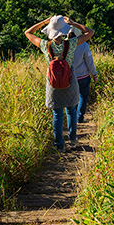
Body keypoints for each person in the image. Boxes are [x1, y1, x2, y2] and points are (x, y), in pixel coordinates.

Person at [25, 15, 94, 151]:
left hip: (53, 84)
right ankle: (73, 140)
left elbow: (28, 32)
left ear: (50, 30)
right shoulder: (71, 43)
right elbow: (90, 32)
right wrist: (74, 24)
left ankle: (59, 145)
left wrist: (44, 22)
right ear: (64, 31)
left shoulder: (45, 45)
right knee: (71, 111)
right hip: (69, 81)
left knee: (57, 114)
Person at [72, 32, 97, 124]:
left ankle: (72, 117)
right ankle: (79, 117)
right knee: (83, 96)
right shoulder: (84, 45)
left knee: (72, 98)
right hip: (83, 76)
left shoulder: (64, 45)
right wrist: (94, 74)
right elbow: (89, 61)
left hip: (70, 77)